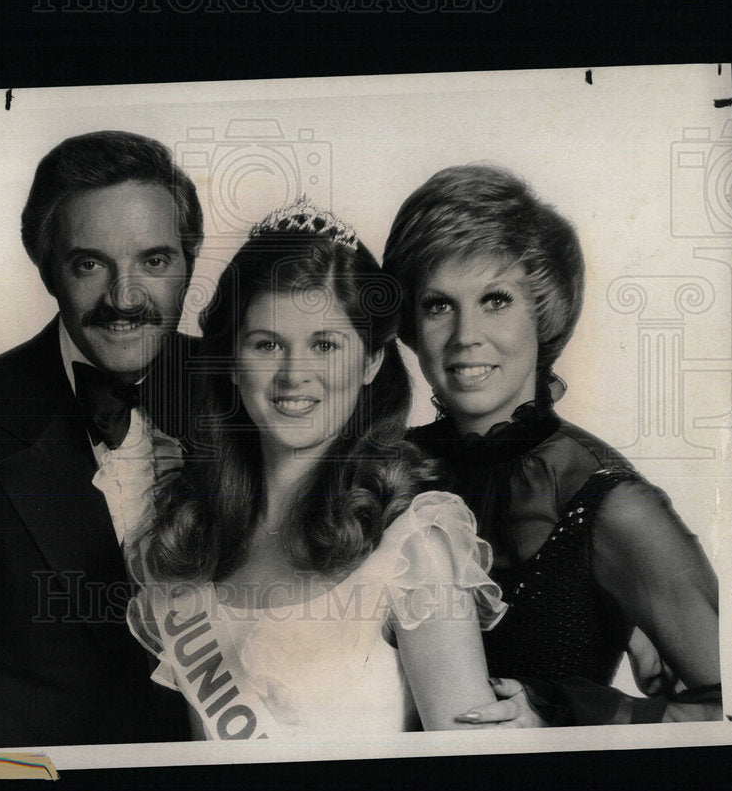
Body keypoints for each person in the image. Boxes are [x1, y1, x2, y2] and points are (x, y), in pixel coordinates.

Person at [125, 197, 507, 739]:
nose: (292, 375)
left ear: (372, 360)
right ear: (232, 361)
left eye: (324, 344)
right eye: (266, 344)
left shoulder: (411, 547)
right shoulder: (190, 536)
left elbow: (474, 768)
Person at [0, 131, 200, 749]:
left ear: (189, 261)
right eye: (90, 263)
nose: (125, 298)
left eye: (154, 261)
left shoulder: (247, 393)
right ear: (47, 267)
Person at [382, 163, 722, 726]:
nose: (466, 336)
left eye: (496, 300)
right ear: (411, 326)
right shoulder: (385, 468)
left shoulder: (611, 505)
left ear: (543, 310)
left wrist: (566, 714)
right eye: (438, 304)